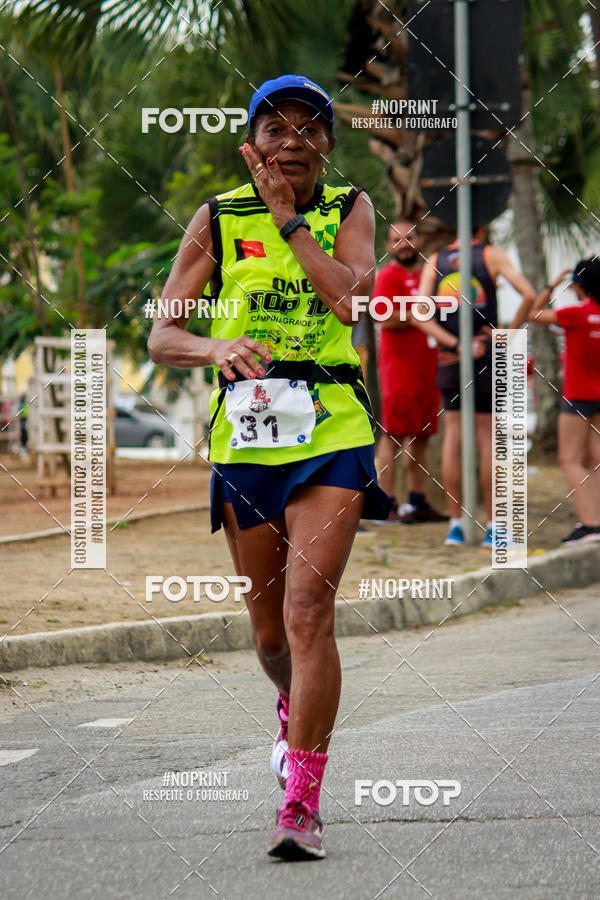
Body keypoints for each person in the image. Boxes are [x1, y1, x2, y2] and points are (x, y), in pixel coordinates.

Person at [148, 74, 391, 861]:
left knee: (307, 613)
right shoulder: (217, 216)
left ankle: (302, 800)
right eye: (275, 129)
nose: (292, 142)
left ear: (328, 143)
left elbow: (351, 300)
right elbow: (164, 335)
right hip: (247, 441)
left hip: (331, 427)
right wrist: (214, 346)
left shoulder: (349, 208)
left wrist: (291, 226)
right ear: (251, 142)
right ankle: (296, 715)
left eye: (309, 129)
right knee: (269, 638)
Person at [416, 223, 536, 546]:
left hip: (450, 359)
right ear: (483, 223)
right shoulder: (491, 255)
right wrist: (506, 335)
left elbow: (418, 313)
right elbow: (529, 295)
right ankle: (495, 527)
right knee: (488, 440)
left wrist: (454, 344)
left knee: (453, 437)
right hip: (485, 357)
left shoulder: (435, 259)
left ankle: (456, 525)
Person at [373, 220, 448, 523]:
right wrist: (417, 315)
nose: (404, 243)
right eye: (397, 239)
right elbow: (384, 319)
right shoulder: (387, 276)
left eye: (410, 237)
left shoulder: (430, 276)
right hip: (398, 367)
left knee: (423, 435)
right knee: (392, 435)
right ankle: (386, 504)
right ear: (388, 247)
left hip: (429, 366)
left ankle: (418, 502)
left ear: (419, 240)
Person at [529, 259, 600, 544]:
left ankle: (589, 524)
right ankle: (596, 521)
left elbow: (533, 313)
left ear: (579, 285)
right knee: (595, 460)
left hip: (578, 397)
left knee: (569, 459)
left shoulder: (575, 314)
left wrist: (551, 286)